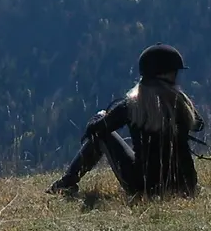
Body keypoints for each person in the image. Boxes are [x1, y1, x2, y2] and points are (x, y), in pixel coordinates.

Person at [48, 44, 201, 198]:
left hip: (145, 187)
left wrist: (100, 116)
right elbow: (199, 125)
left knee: (103, 134)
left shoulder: (131, 106)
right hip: (186, 185)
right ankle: (66, 183)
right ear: (167, 75)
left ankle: (67, 182)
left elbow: (95, 129)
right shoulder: (180, 102)